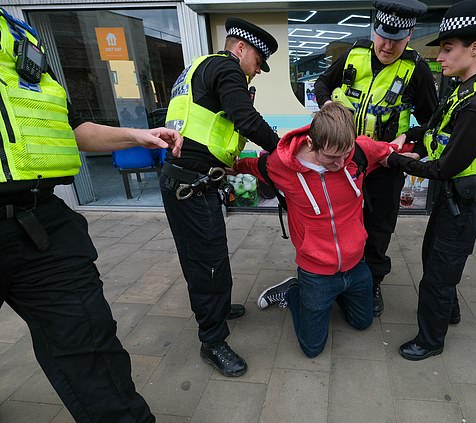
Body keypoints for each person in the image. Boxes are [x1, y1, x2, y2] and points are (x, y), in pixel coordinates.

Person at [0, 8, 183, 422]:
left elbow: (69, 127)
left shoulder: (18, 35)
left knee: (93, 349)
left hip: (40, 222)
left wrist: (137, 135)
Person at [387, 0, 476, 361]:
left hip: (465, 195)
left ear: (475, 49)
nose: (439, 57)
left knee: (438, 272)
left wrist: (396, 160)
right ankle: (449, 311)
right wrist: (411, 137)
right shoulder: (468, 87)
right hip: (457, 195)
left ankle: (430, 341)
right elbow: (436, 127)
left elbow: (444, 167)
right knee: (437, 257)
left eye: (447, 48)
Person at [160, 18, 280, 377]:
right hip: (191, 186)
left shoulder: (198, 67)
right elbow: (246, 118)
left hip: (187, 181)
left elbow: (210, 127)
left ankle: (221, 305)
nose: (257, 71)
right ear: (240, 48)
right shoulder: (227, 68)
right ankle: (212, 341)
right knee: (206, 261)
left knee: (209, 253)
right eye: (258, 62)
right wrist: (282, 148)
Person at [235, 103, 397, 358]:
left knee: (363, 322)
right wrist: (230, 167)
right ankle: (294, 291)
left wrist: (404, 148)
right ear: (311, 143)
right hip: (316, 272)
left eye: (346, 154)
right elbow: (251, 166)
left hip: (356, 265)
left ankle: (333, 298)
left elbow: (388, 150)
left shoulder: (357, 153)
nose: (341, 163)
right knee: (312, 349)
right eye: (332, 157)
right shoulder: (280, 165)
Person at [314, 0, 438, 317]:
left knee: (378, 227)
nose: (387, 44)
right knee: (339, 223)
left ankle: (372, 282)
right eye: (382, 35)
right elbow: (322, 82)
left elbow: (432, 122)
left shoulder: (416, 70)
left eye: (396, 38)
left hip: (384, 167)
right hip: (344, 163)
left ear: (409, 35)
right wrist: (327, 104)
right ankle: (338, 277)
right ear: (374, 30)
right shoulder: (353, 54)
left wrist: (409, 140)